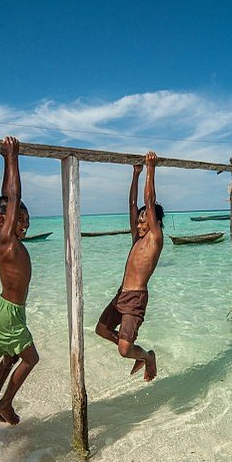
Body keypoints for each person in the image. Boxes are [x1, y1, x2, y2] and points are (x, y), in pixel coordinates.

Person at [0, 136, 39, 425]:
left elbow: (9, 199)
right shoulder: (5, 240)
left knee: (10, 359)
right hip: (8, 314)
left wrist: (5, 159)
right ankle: (5, 403)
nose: (25, 224)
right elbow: (11, 197)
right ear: (3, 221)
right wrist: (13, 157)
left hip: (7, 310)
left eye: (27, 219)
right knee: (30, 359)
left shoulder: (7, 239)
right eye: (20, 219)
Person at [95, 151, 163, 381]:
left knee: (123, 350)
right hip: (121, 294)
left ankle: (146, 356)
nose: (139, 223)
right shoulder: (137, 237)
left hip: (136, 298)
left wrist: (150, 169)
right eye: (139, 221)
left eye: (144, 221)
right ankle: (131, 347)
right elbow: (133, 204)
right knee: (102, 330)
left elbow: (148, 202)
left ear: (155, 223)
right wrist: (135, 174)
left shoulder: (155, 238)